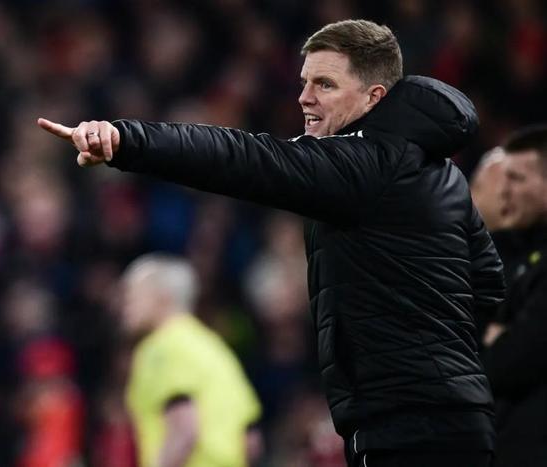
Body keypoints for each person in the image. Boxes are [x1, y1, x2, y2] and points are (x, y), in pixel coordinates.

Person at [38, 19, 505, 467]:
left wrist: (128, 140)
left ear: (373, 96)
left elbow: (242, 158)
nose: (304, 97)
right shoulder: (441, 174)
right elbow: (489, 289)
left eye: (324, 84)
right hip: (450, 417)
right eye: (304, 82)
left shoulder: (361, 166)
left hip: (408, 423)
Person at [120, 254, 262, 467]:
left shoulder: (163, 347)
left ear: (163, 296)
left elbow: (183, 430)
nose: (125, 304)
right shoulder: (215, 348)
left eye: (132, 294)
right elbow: (251, 442)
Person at [479, 125, 547, 467]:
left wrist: (497, 342)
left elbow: (506, 364)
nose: (504, 191)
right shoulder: (521, 256)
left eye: (517, 179)